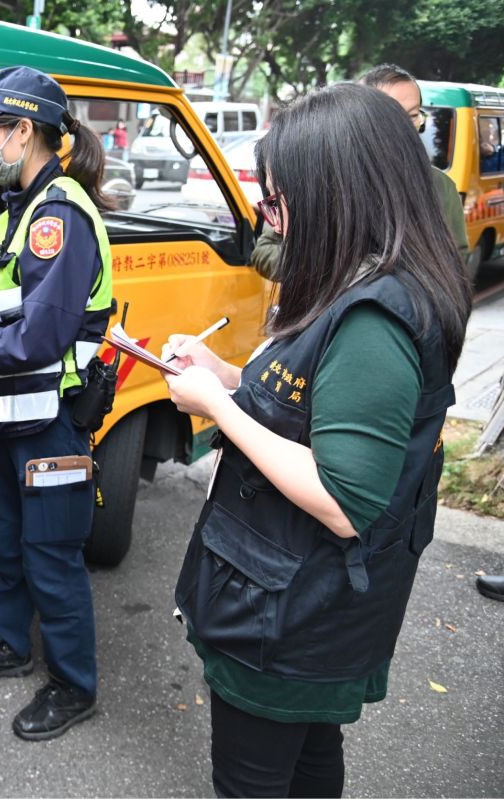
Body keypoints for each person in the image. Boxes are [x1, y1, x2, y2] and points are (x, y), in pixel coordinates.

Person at [165, 82, 471, 797]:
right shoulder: (355, 280)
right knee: (307, 759)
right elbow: (314, 406)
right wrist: (229, 375)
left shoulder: (375, 319)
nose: (267, 217)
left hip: (293, 615)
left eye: (275, 202)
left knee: (255, 779)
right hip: (292, 602)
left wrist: (218, 406)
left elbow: (343, 496)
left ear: (336, 191)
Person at [0, 66, 114, 741]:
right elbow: (2, 310)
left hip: (51, 423)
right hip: (8, 416)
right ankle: (10, 645)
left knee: (52, 555)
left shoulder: (59, 214)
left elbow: (41, 336)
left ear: (25, 130)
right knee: (9, 544)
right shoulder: (21, 207)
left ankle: (74, 683)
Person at [249, 64, 470, 281]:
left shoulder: (439, 186)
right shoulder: (324, 174)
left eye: (412, 115)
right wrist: (329, 270)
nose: (404, 126)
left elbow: (456, 264)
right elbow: (265, 252)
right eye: (390, 114)